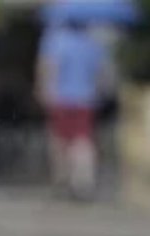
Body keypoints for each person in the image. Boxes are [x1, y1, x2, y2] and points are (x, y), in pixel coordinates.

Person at [37, 19, 111, 199]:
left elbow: (48, 68)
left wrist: (44, 90)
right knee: (83, 141)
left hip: (60, 99)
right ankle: (84, 181)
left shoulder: (54, 40)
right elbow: (102, 73)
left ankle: (62, 179)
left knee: (59, 140)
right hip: (86, 99)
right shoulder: (93, 44)